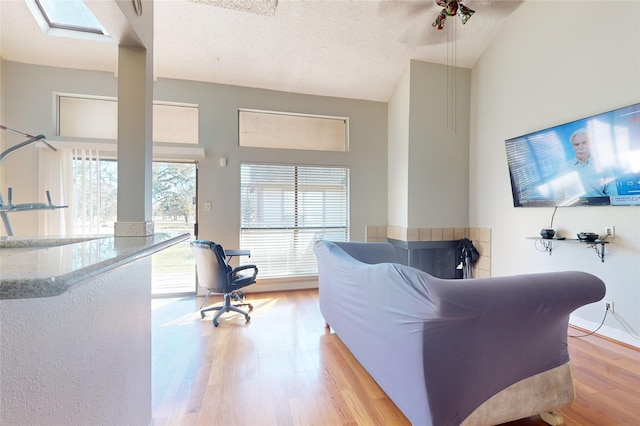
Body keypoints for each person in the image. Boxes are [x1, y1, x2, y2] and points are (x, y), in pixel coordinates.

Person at [556, 128, 618, 199]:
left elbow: (613, 197)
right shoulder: (564, 168)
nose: (580, 146)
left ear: (590, 143)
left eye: (584, 143)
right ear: (573, 147)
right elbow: (559, 196)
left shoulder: (604, 166)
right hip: (572, 208)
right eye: (577, 144)